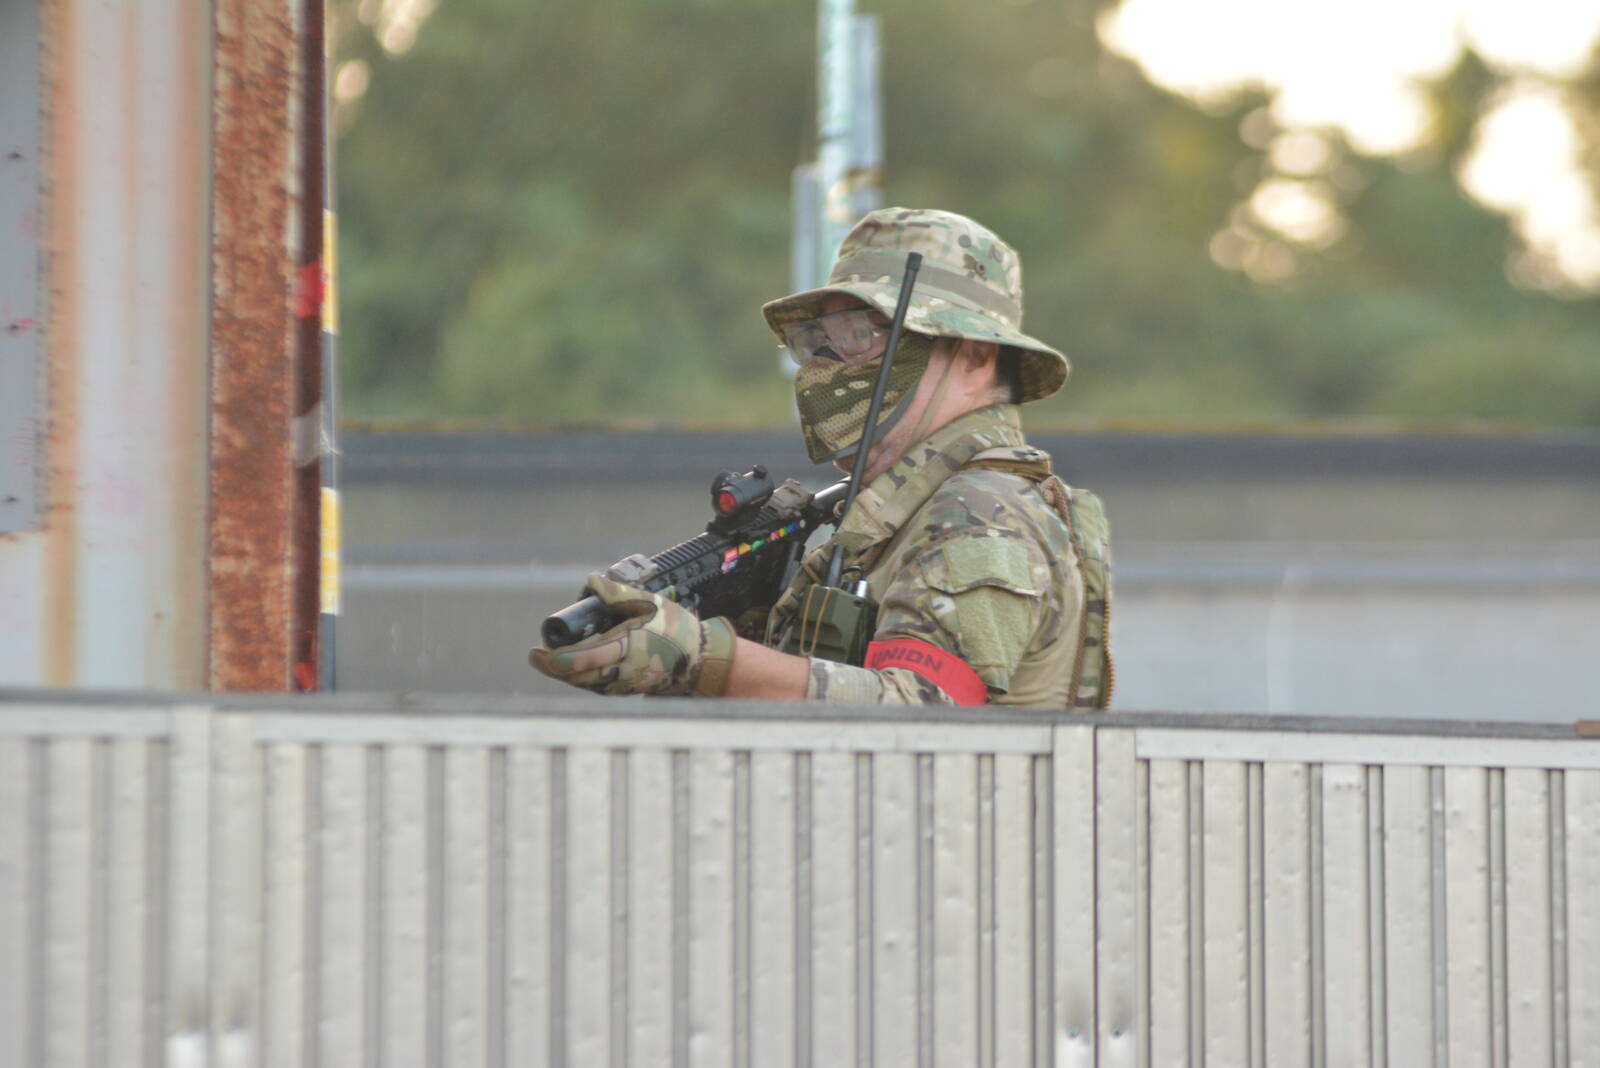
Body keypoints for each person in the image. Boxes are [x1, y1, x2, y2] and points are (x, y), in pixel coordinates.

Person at [530, 207, 1112, 710]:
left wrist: (704, 658)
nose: (828, 365)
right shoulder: (889, 517)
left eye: (862, 334)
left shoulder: (980, 510)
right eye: (818, 341)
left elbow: (924, 717)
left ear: (976, 356)